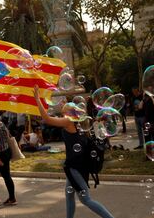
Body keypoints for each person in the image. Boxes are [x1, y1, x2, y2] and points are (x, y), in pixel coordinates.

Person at [34, 85, 114, 218]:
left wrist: (37, 99)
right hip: (79, 164)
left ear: (69, 112)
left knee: (85, 199)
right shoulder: (79, 122)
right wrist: (67, 105)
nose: (61, 108)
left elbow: (47, 119)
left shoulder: (68, 122)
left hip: (75, 166)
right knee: (69, 193)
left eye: (64, 108)